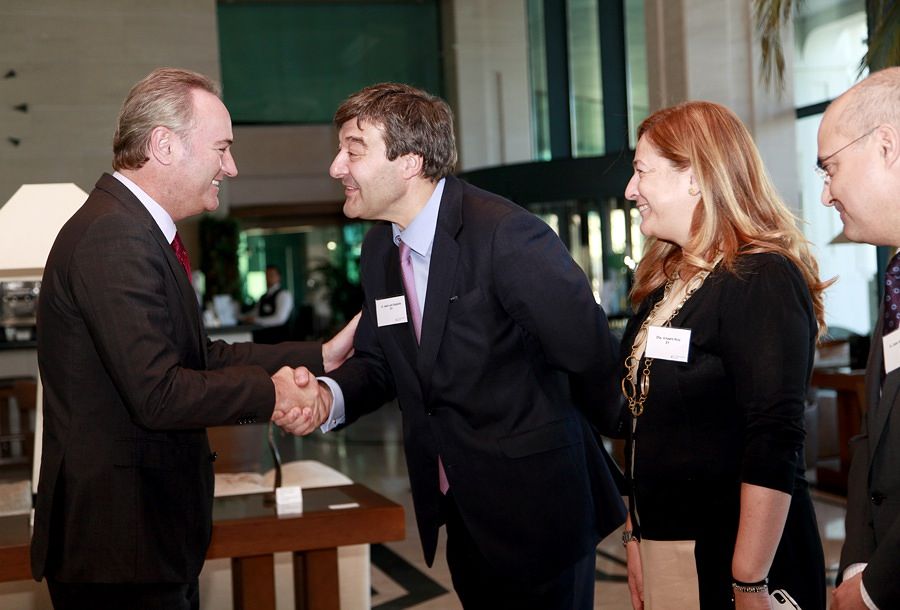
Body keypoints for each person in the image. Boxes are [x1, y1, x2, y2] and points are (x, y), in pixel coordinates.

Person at [275, 82, 627, 609]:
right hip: (461, 511)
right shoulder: (379, 247)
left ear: (411, 160)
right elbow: (381, 360)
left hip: (539, 512)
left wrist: (644, 462)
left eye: (352, 149)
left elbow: (590, 353)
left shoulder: (505, 235)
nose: (336, 167)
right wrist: (328, 397)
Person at [32, 67, 356, 610]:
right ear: (163, 145)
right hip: (121, 548)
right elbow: (158, 393)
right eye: (222, 148)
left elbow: (200, 357)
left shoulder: (132, 228)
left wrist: (318, 354)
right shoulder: (115, 236)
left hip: (142, 541)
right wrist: (276, 394)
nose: (230, 166)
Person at [619, 101, 829, 610]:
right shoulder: (666, 282)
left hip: (738, 559)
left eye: (642, 170)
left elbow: (775, 435)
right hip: (667, 542)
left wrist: (749, 579)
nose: (630, 190)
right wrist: (634, 535)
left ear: (694, 176)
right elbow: (641, 424)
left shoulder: (762, 277)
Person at [818, 67, 900, 610]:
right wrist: (858, 563)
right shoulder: (895, 276)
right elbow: (873, 437)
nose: (826, 194)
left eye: (831, 168)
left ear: (887, 146)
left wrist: (874, 590)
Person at [245, 264, 295, 343]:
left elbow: (280, 319)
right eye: (266, 275)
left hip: (280, 340)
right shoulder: (263, 296)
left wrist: (256, 320)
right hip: (263, 339)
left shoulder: (284, 295)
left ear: (279, 277)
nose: (268, 278)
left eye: (271, 275)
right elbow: (255, 313)